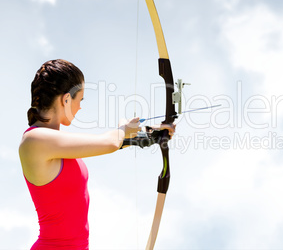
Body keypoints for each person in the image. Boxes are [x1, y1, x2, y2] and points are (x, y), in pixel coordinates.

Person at [19, 59, 175, 250]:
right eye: (80, 100)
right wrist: (123, 129)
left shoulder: (54, 143)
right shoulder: (34, 141)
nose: (80, 108)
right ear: (66, 100)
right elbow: (109, 142)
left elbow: (111, 143)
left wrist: (153, 134)